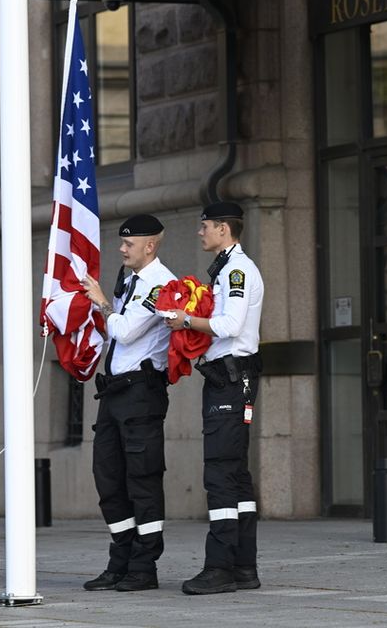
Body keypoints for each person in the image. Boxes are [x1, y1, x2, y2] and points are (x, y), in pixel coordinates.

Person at [163, 202, 264, 595]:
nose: (199, 232)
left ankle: (220, 567)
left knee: (221, 472)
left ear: (224, 229)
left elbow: (229, 325)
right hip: (227, 380)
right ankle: (243, 567)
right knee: (235, 474)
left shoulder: (237, 270)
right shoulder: (226, 269)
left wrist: (183, 320)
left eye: (205, 226)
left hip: (231, 381)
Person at [81, 214, 177, 592]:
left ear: (149, 245)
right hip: (115, 391)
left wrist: (103, 302)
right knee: (107, 476)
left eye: (128, 244)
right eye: (121, 243)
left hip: (141, 393)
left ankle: (144, 565)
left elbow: (124, 329)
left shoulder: (160, 284)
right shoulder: (131, 281)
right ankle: (119, 559)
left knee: (142, 479)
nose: (121, 249)